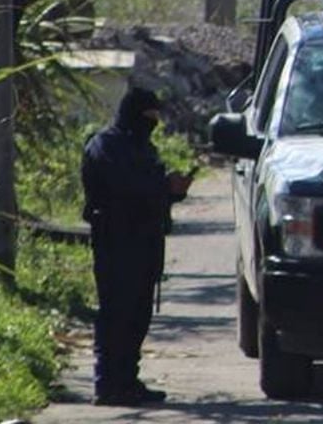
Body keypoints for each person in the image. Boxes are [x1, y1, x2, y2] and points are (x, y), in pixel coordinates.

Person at [81, 87, 194, 406]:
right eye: (148, 117)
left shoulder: (143, 147)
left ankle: (127, 381)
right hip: (116, 243)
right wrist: (163, 185)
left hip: (145, 243)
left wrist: (174, 190)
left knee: (138, 316)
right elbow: (124, 187)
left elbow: (150, 191)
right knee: (116, 314)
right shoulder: (105, 145)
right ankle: (108, 384)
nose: (152, 124)